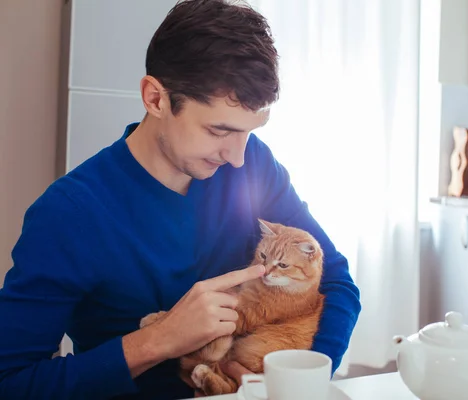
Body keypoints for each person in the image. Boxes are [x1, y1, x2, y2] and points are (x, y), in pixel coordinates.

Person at [0, 0, 361, 399]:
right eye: (218, 130)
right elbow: (11, 381)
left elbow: (337, 281)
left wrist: (291, 376)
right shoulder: (69, 214)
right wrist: (160, 340)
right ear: (156, 99)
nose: (237, 156)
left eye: (249, 130)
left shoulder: (254, 163)